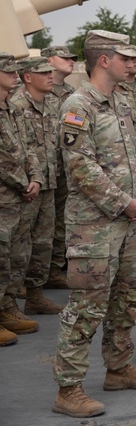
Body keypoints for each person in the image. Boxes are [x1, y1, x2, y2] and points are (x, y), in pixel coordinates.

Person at [52, 31, 136, 419]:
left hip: (129, 222)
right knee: (87, 307)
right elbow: (80, 167)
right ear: (103, 60)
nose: (134, 65)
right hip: (93, 226)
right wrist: (125, 203)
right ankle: (69, 388)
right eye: (126, 58)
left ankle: (118, 369)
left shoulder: (122, 101)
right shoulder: (78, 105)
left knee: (129, 298)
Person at [9, 58, 64, 316]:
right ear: (27, 77)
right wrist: (27, 179)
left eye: (50, 72)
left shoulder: (53, 103)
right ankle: (9, 301)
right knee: (19, 245)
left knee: (44, 242)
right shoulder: (17, 106)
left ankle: (35, 295)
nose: (50, 76)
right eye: (43, 73)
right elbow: (18, 149)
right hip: (24, 187)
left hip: (49, 182)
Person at [0, 51, 43, 346]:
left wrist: (36, 177)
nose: (16, 75)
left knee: (15, 256)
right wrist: (23, 181)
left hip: (18, 196)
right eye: (9, 72)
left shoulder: (12, 109)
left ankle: (6, 308)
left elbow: (28, 149)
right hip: (6, 194)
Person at [42, 45, 78, 289]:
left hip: (65, 167)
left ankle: (53, 269)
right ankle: (31, 278)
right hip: (42, 169)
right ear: (49, 60)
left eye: (72, 58)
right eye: (64, 57)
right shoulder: (33, 91)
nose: (71, 61)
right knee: (40, 225)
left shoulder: (72, 93)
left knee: (61, 221)